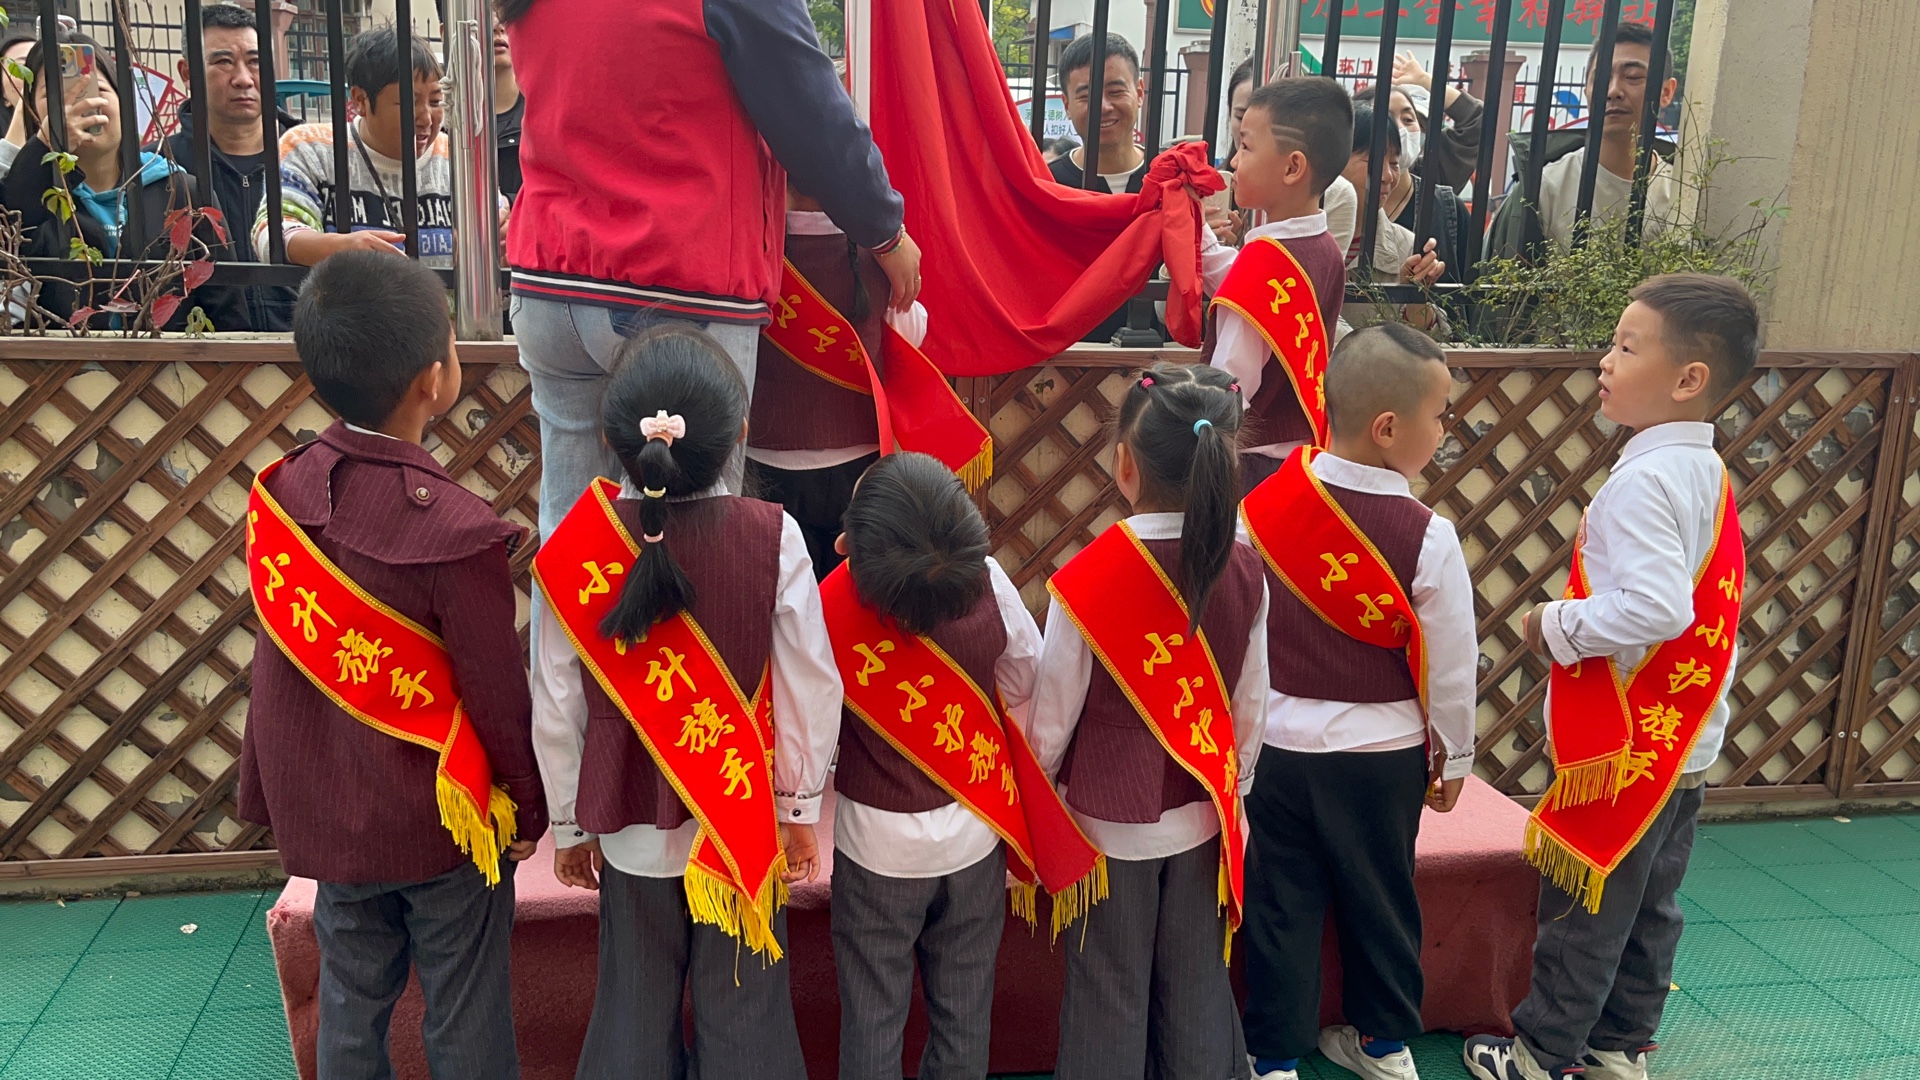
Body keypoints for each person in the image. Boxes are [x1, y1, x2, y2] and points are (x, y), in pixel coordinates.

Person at [235, 251, 546, 1080]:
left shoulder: (280, 494)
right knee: (465, 1014)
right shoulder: (458, 530)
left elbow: (278, 673)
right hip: (443, 826)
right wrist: (526, 804)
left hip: (331, 821)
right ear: (432, 380)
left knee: (349, 1006)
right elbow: (496, 694)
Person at [1464, 274, 1759, 1080]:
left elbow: (1658, 609)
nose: (1605, 360)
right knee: (1650, 907)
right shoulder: (1703, 469)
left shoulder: (1645, 481)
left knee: (1586, 902)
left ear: (1688, 379)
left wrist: (1552, 624)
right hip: (1685, 740)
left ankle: (1541, 1054)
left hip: (1628, 743)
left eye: (1627, 347)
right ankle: (1618, 1045)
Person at [530, 323, 837, 1080]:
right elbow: (811, 682)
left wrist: (569, 824)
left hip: (627, 818)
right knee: (748, 1019)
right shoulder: (775, 537)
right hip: (739, 818)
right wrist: (798, 807)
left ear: (612, 440)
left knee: (633, 1012)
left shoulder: (574, 548)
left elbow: (556, 699)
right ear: (740, 433)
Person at [502, 0, 919, 521]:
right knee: (699, 532)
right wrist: (885, 232)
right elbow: (813, 117)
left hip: (548, 277)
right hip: (678, 276)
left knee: (570, 525)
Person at [1238, 324, 1478, 1080]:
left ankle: (1273, 1057)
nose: (1444, 431)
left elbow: (1241, 634)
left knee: (1280, 905)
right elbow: (1452, 666)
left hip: (1277, 747)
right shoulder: (1429, 536)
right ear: (1389, 428)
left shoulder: (1261, 510)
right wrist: (1455, 758)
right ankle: (1383, 1046)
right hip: (1383, 757)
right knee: (1383, 899)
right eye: (1440, 416)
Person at [1027, 361, 1271, 1080]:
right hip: (1204, 808)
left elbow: (1052, 719)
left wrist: (1041, 796)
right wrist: (1234, 788)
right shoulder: (1245, 567)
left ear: (1123, 465)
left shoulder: (1086, 576)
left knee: (1108, 985)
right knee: (1195, 980)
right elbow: (1251, 702)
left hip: (1104, 819)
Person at [822, 451, 1044, 1080]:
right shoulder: (990, 582)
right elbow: (1026, 678)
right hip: (975, 833)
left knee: (872, 1017)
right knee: (964, 1014)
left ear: (850, 549)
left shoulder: (830, 605)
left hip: (874, 848)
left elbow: (811, 724)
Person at [2, 30, 245, 331]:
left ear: (123, 102)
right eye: (55, 96)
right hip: (64, 360)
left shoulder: (180, 189)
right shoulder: (33, 194)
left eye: (97, 90)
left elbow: (226, 303)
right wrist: (42, 149)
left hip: (171, 359)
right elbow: (10, 241)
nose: (79, 105)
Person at [746, 187, 927, 578]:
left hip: (763, 459)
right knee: (849, 597)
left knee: (779, 596)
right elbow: (909, 335)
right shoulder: (884, 249)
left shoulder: (749, 242)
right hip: (859, 463)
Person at [1196, 77, 1350, 493]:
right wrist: (1195, 226)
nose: (1233, 161)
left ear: (1292, 167)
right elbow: (1238, 279)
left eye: (1246, 146)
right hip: (1303, 463)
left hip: (1247, 468)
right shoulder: (1324, 247)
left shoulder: (1267, 258)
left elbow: (1228, 385)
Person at [254, 26, 457, 267]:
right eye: (409, 102)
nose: (427, 119)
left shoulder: (457, 157)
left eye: (435, 101)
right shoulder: (308, 148)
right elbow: (272, 234)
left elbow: (492, 230)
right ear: (361, 100)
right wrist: (339, 250)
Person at [1485, 21, 1678, 259]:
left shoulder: (1684, 191)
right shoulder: (1544, 188)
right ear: (1586, 89)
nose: (1613, 91)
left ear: (1666, 92)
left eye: (1633, 77)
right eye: (1601, 78)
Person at [161, 1, 300, 330]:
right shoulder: (161, 167)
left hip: (308, 349)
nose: (243, 79)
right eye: (223, 61)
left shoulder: (310, 158)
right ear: (187, 73)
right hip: (205, 352)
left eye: (255, 62)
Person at [1048, 31, 1158, 345]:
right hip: (1068, 355)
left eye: (1115, 91)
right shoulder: (1048, 185)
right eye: (1086, 96)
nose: (1104, 107)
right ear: (1067, 105)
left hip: (1162, 356)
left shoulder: (1172, 179)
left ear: (1139, 92)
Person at [1338, 102, 1450, 333]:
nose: (1388, 176)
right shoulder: (1297, 235)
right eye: (1372, 161)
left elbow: (1424, 345)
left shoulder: (1408, 248)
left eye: (1394, 164)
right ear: (1335, 160)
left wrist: (1415, 297)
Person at [1389, 50, 1487, 194]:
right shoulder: (1359, 165)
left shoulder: (1434, 173)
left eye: (1409, 120)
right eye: (1391, 118)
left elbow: (1477, 118)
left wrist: (1425, 80)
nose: (1401, 128)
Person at [490, 10, 522, 201]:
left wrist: (510, 205)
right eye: (484, 14)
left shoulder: (543, 114)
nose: (498, 26)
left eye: (505, 13)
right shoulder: (437, 119)